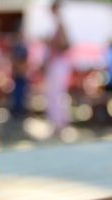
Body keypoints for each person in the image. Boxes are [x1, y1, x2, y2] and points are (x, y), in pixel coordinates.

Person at [42, 0, 72, 137]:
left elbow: (65, 45)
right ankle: (58, 122)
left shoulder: (60, 23)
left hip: (58, 64)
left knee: (56, 94)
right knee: (55, 94)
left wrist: (51, 43)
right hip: (56, 64)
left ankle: (59, 123)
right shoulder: (57, 23)